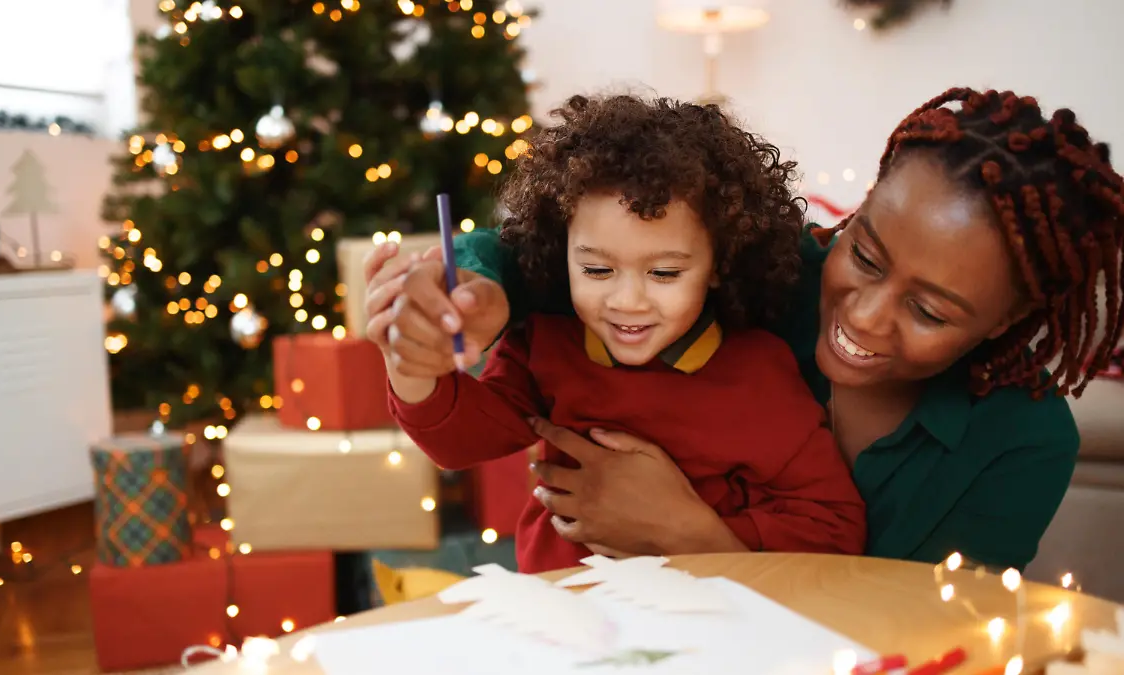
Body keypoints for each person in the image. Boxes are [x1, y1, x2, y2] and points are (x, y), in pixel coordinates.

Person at [367, 88, 1124, 571]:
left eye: (931, 310)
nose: (861, 314)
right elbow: (533, 253)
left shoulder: (1024, 441)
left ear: (1011, 319)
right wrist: (454, 298)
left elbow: (918, 622)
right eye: (864, 250)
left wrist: (688, 532)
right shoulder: (767, 264)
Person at [379, 94, 866, 574]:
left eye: (664, 274)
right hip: (567, 620)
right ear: (559, 251)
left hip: (705, 627)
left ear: (718, 264)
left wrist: (711, 537)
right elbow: (461, 443)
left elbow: (834, 529)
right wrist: (413, 368)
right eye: (595, 269)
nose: (627, 301)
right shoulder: (546, 343)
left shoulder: (760, 371)